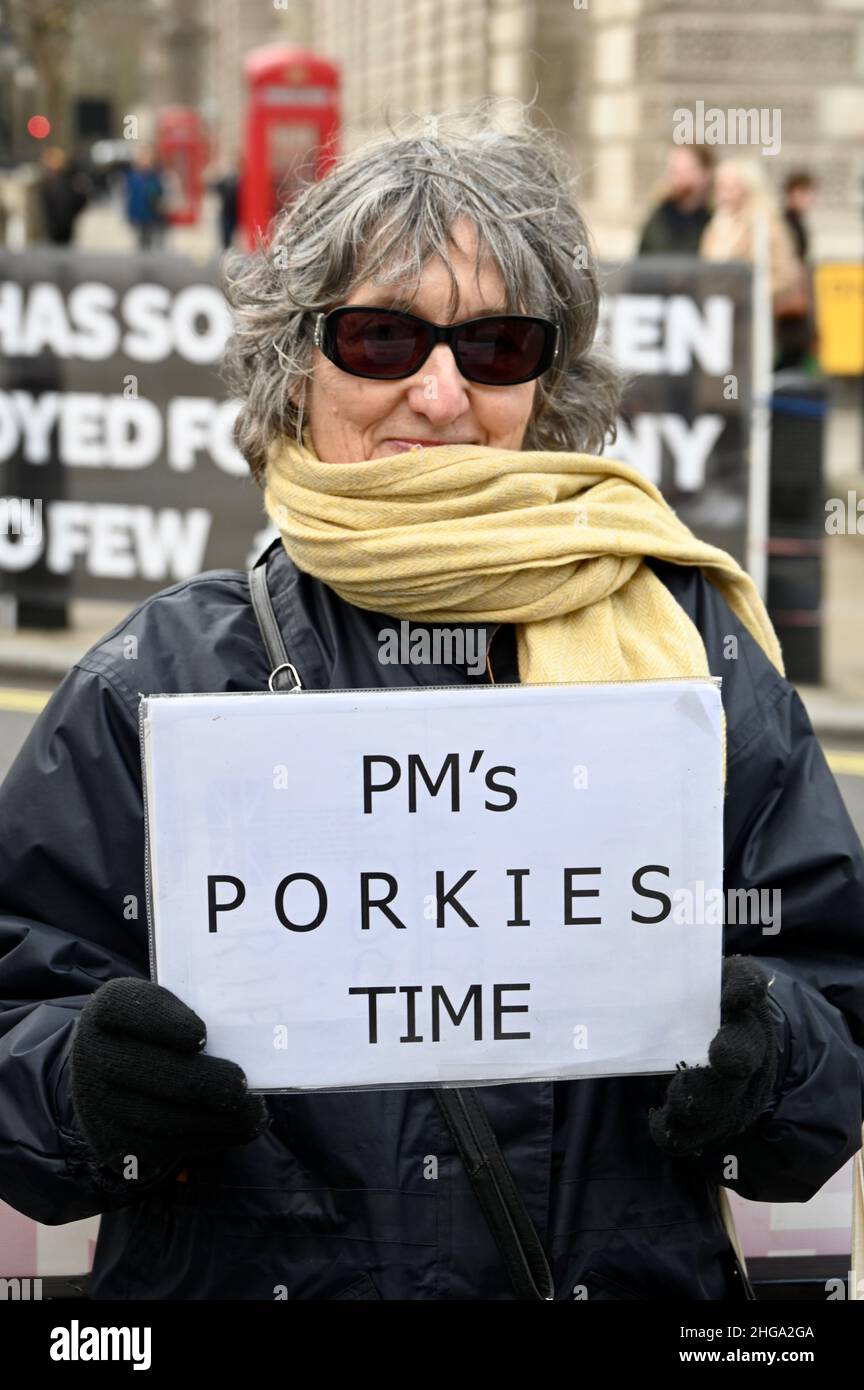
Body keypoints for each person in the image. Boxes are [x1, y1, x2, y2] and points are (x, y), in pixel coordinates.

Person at [0, 110, 862, 1302]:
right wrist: (80, 1086)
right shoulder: (153, 678)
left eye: (498, 344)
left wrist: (775, 1058)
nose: (440, 393)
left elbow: (831, 1033)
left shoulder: (693, 657)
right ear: (297, 363)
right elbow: (19, 1038)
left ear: (548, 380)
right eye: (383, 337)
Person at [700, 159, 810, 369]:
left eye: (730, 185)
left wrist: (752, 292)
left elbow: (786, 273)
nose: (723, 192)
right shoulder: (715, 225)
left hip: (752, 320)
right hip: (718, 319)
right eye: (720, 185)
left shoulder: (764, 224)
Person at [638, 144, 714, 255]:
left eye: (687, 170)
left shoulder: (715, 221)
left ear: (705, 174)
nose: (678, 179)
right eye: (674, 171)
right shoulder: (659, 219)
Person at [37, 146, 89, 245]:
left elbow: (80, 199)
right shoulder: (47, 183)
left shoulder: (67, 181)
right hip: (54, 226)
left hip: (64, 225)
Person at [124, 146, 166, 250]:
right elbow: (129, 194)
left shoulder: (154, 174)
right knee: (141, 239)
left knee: (149, 238)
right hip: (137, 212)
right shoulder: (132, 174)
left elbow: (159, 191)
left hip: (151, 212)